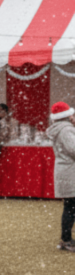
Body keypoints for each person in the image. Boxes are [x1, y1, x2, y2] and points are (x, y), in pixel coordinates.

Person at [46, 101, 75, 252]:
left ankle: (66, 239)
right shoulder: (66, 130)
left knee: (69, 207)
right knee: (71, 208)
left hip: (65, 171)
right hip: (71, 172)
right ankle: (66, 240)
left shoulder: (59, 129)